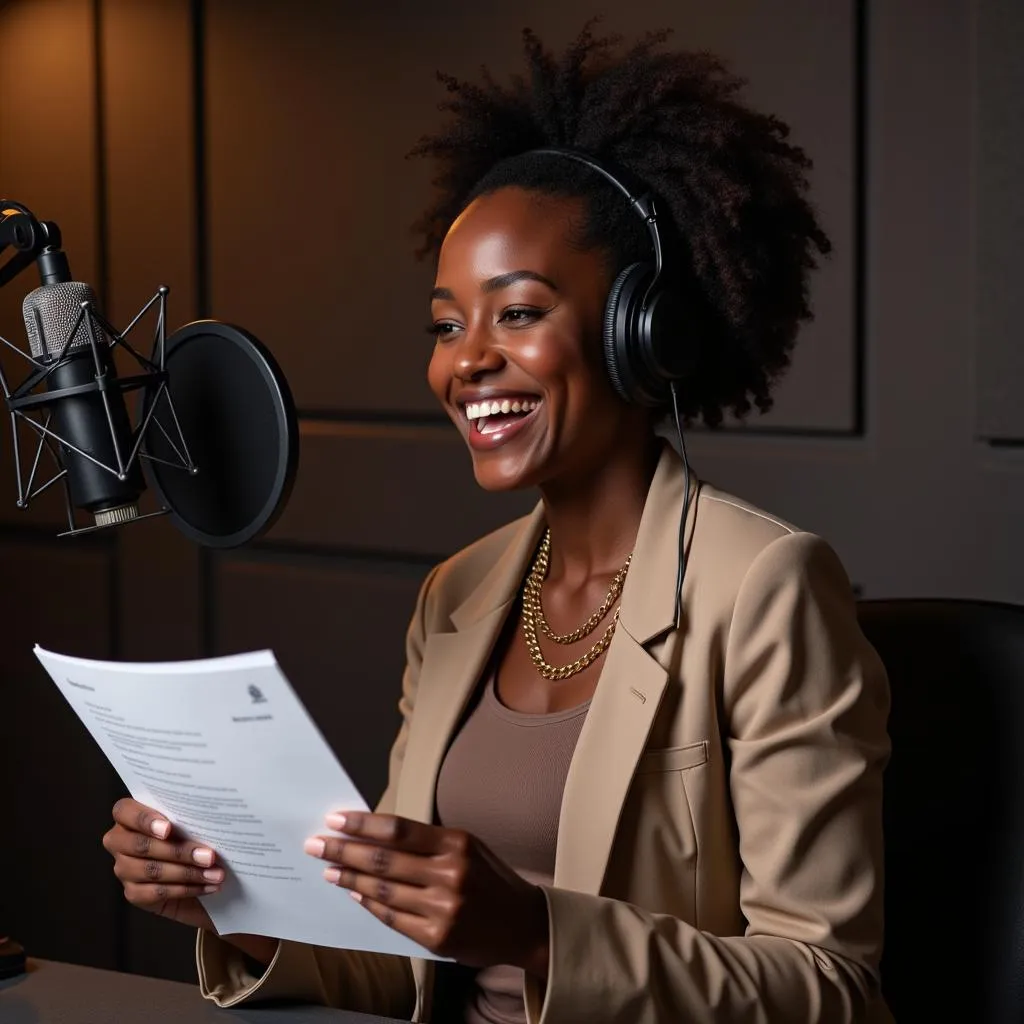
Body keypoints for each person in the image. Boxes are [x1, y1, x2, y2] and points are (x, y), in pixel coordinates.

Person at [102, 24, 892, 1023]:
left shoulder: (767, 587)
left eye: (515, 313)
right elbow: (405, 960)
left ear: (638, 329)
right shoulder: (458, 596)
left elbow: (830, 986)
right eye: (445, 324)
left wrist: (535, 931)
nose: (463, 361)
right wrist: (237, 905)